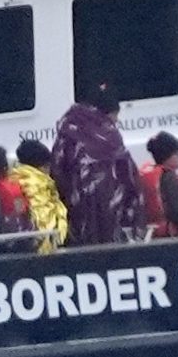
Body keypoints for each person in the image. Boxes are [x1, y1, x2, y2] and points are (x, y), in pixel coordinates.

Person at [49, 85, 143, 246]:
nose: (116, 120)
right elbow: (127, 174)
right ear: (105, 114)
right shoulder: (109, 136)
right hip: (110, 210)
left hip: (76, 209)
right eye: (115, 115)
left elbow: (57, 170)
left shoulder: (67, 133)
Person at [14, 139, 68, 253]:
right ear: (44, 166)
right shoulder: (38, 185)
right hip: (43, 249)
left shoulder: (14, 177)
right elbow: (45, 221)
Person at [139, 132, 178, 237]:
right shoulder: (168, 176)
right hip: (169, 234)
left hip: (150, 233)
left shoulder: (146, 173)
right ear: (170, 156)